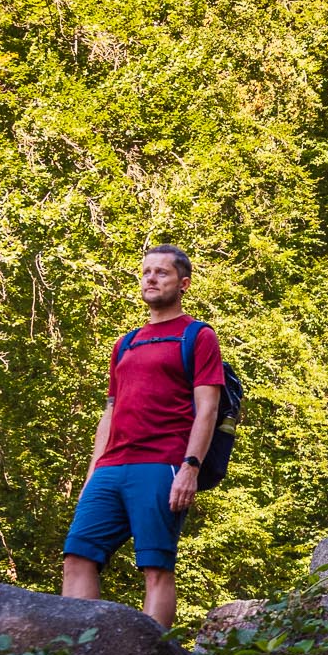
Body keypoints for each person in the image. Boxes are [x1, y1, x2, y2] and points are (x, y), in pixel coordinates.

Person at [61, 246, 227, 627]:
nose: (151, 278)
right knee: (77, 559)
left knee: (155, 567)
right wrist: (92, 472)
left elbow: (208, 410)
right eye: (146, 272)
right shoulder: (126, 342)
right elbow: (110, 412)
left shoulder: (197, 336)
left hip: (161, 465)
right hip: (111, 467)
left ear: (183, 284)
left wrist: (190, 468)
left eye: (162, 273)